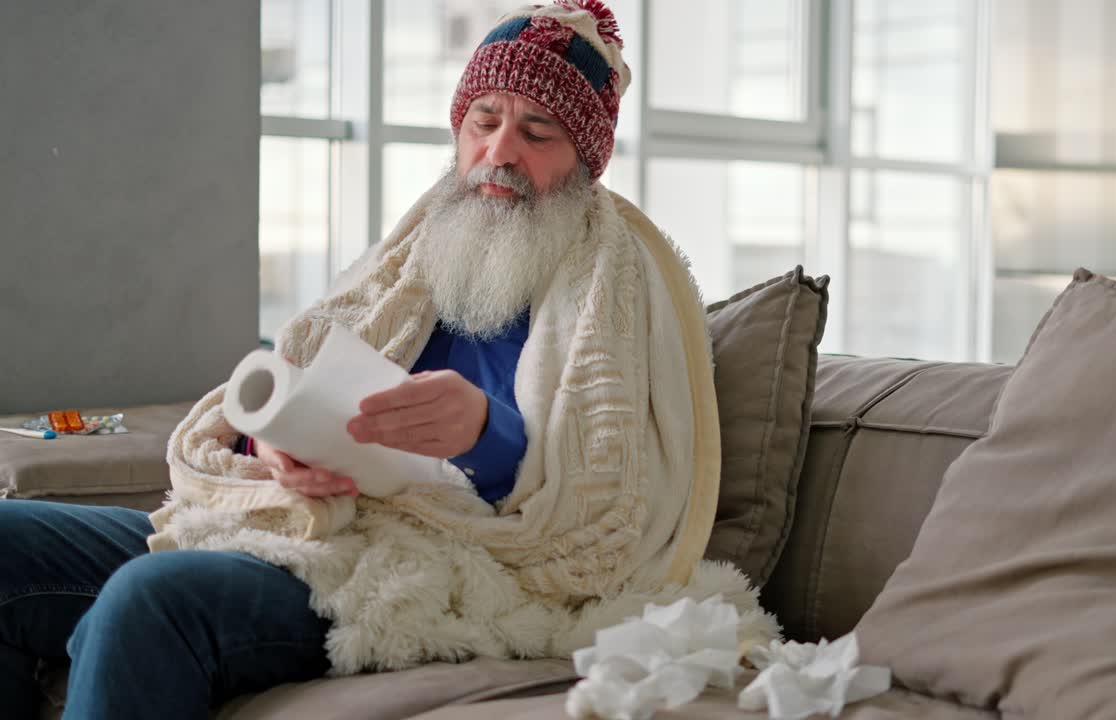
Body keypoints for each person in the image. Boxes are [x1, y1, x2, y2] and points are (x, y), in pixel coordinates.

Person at [0, 3, 767, 718]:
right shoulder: (414, 254)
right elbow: (299, 375)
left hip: (425, 566)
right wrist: (271, 444)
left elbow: (599, 502)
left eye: (538, 132)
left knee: (151, 598)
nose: (499, 152)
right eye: (484, 121)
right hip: (299, 519)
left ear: (586, 158)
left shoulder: (615, 288)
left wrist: (482, 432)